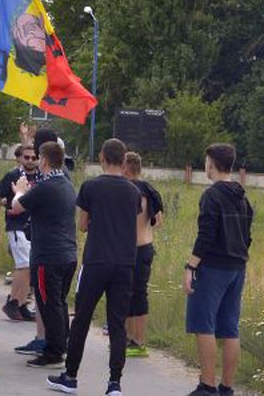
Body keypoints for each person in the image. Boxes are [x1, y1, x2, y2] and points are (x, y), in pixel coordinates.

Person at [47, 138, 142, 396]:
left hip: (97, 259)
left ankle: (71, 375)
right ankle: (114, 383)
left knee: (82, 319)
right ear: (124, 161)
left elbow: (82, 224)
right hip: (125, 262)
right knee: (117, 323)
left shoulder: (91, 187)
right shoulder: (134, 191)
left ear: (101, 158)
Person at [184, 143, 254, 396]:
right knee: (230, 327)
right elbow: (247, 237)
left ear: (211, 163)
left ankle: (208, 385)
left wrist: (191, 266)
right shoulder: (242, 197)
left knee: (205, 325)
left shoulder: (212, 195)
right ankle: (226, 387)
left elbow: (206, 236)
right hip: (237, 266)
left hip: (213, 266)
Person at [11, 139, 77, 366]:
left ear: (45, 160)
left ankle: (54, 351)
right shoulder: (66, 184)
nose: (36, 161)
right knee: (59, 302)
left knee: (49, 303)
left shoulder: (46, 186)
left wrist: (19, 191)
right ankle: (62, 344)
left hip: (48, 256)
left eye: (38, 157)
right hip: (68, 253)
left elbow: (17, 206)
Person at [124, 152, 164, 358]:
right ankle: (133, 339)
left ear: (126, 168)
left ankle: (136, 340)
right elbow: (159, 220)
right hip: (146, 246)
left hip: (130, 249)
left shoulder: (129, 190)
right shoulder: (150, 190)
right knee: (137, 293)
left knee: (129, 293)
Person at [0, 143, 38, 322]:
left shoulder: (41, 176)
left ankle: (21, 303)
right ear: (21, 158)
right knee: (24, 265)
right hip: (16, 225)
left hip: (33, 227)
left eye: (33, 158)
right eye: (26, 157)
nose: (29, 161)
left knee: (29, 267)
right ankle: (13, 302)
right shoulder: (13, 175)